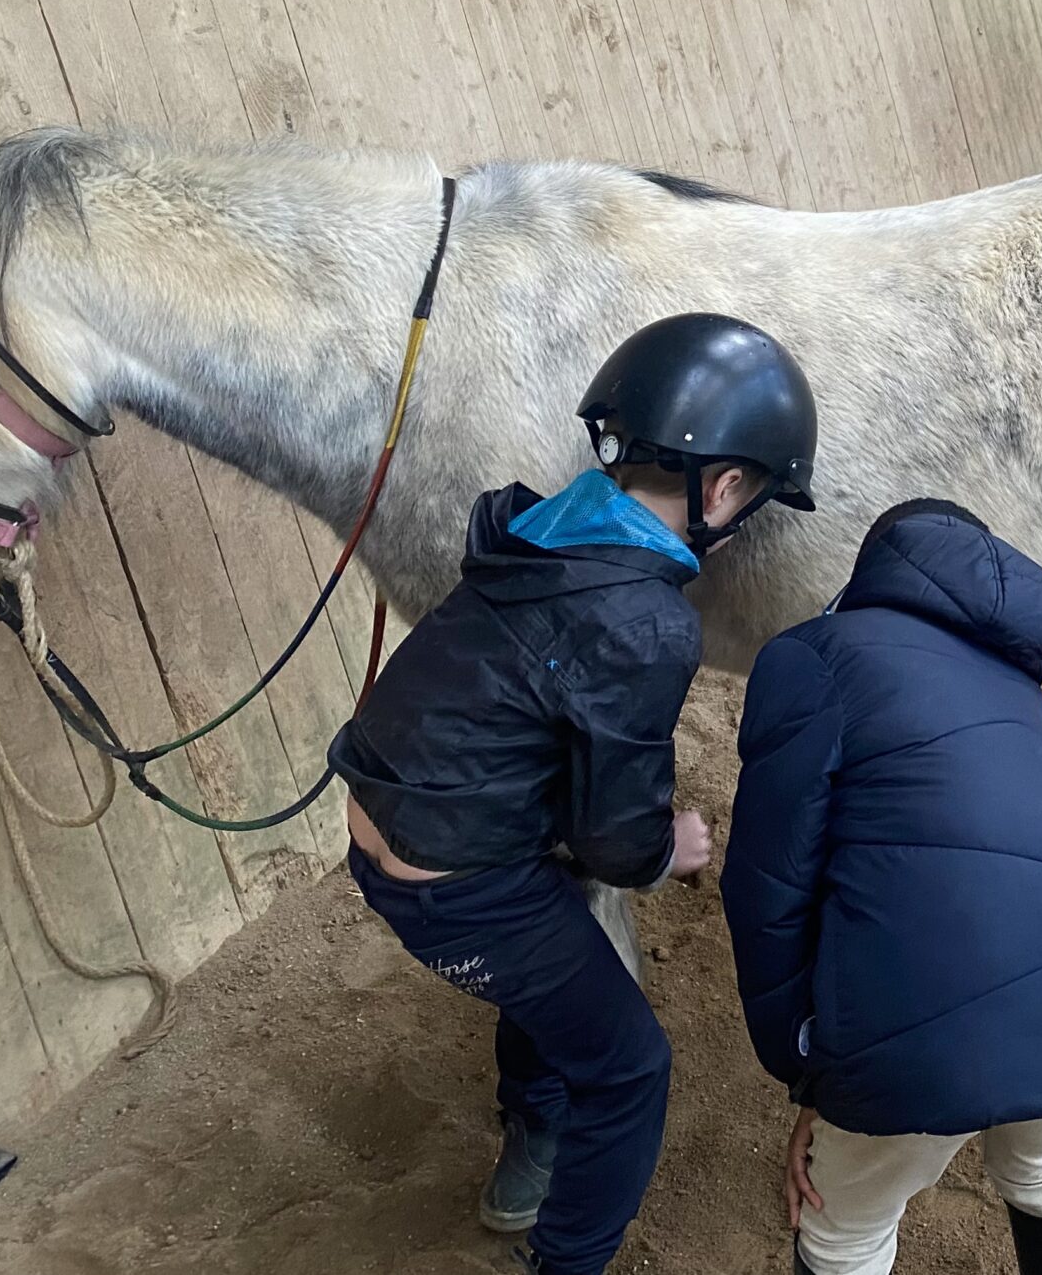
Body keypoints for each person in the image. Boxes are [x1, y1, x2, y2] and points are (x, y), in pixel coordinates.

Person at [330, 313, 818, 1275]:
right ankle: (564, 1261)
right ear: (721, 489)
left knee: (559, 930)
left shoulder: (537, 529)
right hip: (458, 886)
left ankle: (534, 1126)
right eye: (753, 498)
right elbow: (613, 835)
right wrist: (667, 849)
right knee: (633, 1068)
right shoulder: (648, 621)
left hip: (377, 820)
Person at [720, 501, 1042, 1275]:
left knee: (842, 1230)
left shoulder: (811, 655)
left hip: (919, 1015)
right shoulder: (1014, 682)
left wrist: (812, 1072)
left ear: (878, 567)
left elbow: (767, 890)